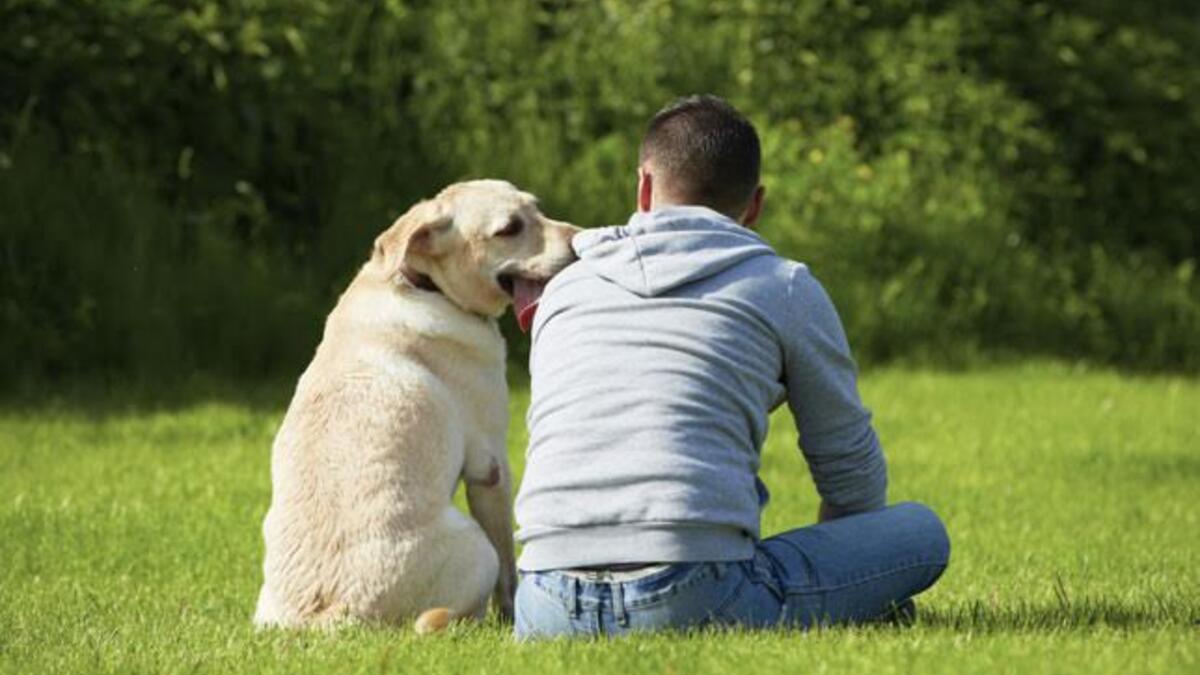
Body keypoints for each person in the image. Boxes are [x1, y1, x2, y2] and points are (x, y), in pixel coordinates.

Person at [512, 95, 949, 638]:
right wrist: (853, 574)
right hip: (694, 593)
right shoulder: (782, 286)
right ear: (755, 204)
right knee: (923, 533)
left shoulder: (565, 289)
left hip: (542, 602)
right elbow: (848, 466)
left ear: (644, 188)